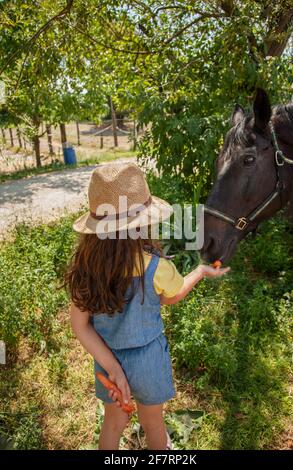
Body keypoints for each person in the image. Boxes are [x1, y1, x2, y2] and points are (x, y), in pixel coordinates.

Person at [65, 162, 229, 450]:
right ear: (142, 223)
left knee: (112, 424)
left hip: (107, 362)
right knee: (153, 424)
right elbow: (172, 295)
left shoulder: (85, 270)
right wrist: (201, 271)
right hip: (149, 361)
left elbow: (80, 325)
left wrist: (113, 367)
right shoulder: (157, 267)